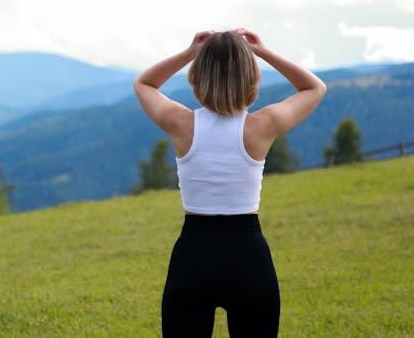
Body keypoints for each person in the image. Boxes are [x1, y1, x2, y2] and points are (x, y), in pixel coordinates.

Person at [133, 28, 326, 337]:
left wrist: (188, 53)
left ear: (196, 78)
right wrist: (263, 51)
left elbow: (144, 83)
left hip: (192, 258)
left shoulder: (181, 123)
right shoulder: (263, 126)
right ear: (252, 78)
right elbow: (313, 88)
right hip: (248, 258)